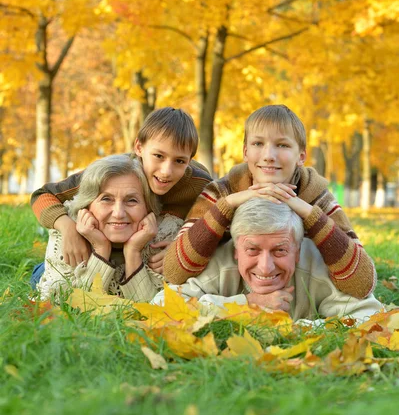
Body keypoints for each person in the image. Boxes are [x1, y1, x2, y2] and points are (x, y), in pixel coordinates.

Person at [163, 105, 376, 299]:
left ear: (301, 156)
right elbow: (174, 272)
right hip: (231, 291)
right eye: (258, 143)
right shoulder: (221, 192)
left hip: (299, 294)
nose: (269, 155)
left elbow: (363, 284)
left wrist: (305, 211)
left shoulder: (317, 197)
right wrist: (229, 205)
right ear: (245, 152)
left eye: (282, 145)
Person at [31, 107, 212, 280]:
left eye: (180, 161)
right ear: (139, 147)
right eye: (158, 156)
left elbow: (218, 226)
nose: (166, 171)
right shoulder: (115, 175)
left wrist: (184, 248)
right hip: (102, 249)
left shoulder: (201, 185)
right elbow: (43, 195)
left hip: (149, 257)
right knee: (46, 276)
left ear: (190, 159)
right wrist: (68, 228)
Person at [154, 199, 383, 321]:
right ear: (236, 249)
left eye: (280, 250)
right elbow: (162, 304)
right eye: (252, 250)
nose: (265, 266)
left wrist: (303, 329)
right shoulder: (222, 263)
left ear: (297, 249)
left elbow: (371, 314)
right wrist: (246, 304)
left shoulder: (317, 264)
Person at [37, 155, 181, 301]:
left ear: (148, 207)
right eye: (106, 199)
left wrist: (132, 252)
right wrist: (101, 248)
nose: (119, 213)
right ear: (87, 205)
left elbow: (153, 306)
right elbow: (73, 304)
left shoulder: (166, 234)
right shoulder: (68, 232)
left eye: (132, 200)